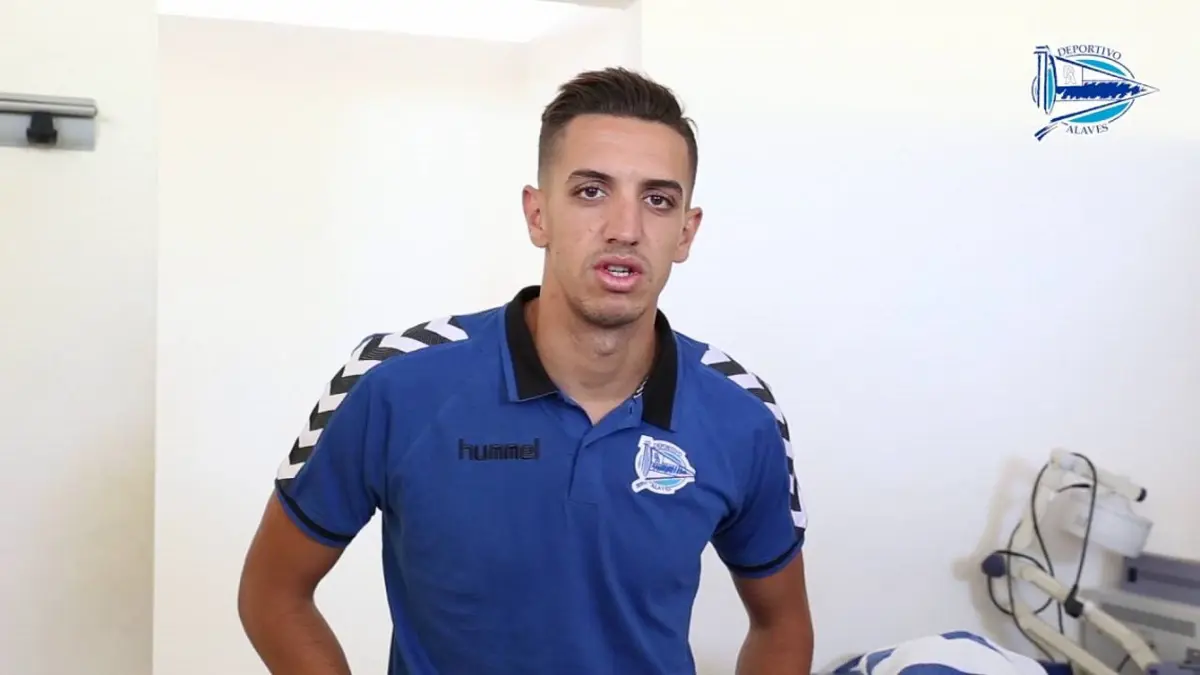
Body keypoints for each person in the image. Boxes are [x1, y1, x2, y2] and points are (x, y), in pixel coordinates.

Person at [237, 67, 813, 675]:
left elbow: (781, 624)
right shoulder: (396, 383)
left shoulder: (740, 413)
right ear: (538, 215)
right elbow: (274, 593)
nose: (625, 229)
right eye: (591, 192)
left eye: (657, 200)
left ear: (685, 233)